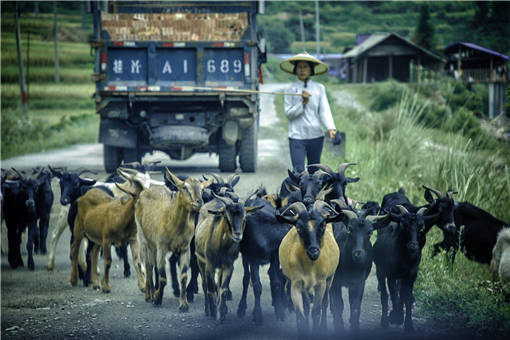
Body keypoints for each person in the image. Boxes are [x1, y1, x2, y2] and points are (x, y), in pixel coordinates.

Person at [280, 52, 336, 174]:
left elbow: (324, 109)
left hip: (316, 136)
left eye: (305, 67)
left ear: (311, 69)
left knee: (314, 172)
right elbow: (289, 114)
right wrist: (303, 104)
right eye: (299, 67)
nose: (302, 70)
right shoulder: (290, 89)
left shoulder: (319, 88)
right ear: (295, 69)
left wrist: (331, 128)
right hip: (296, 136)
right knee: (298, 172)